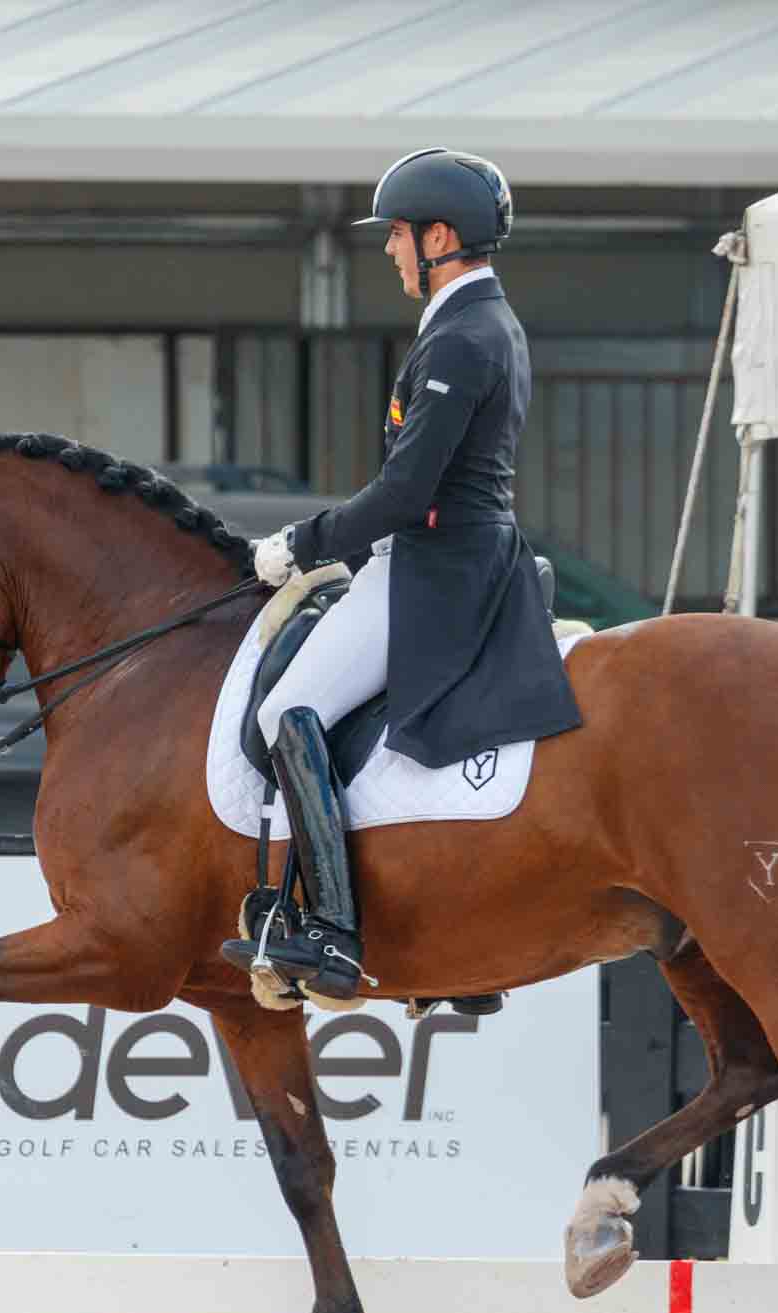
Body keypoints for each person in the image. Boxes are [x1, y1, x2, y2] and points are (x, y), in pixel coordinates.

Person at [218, 147, 582, 1004]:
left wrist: (301, 544)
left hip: (436, 568)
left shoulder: (464, 334)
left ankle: (334, 935)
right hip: (448, 552)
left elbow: (409, 489)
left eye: (398, 236)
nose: (388, 252)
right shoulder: (477, 323)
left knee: (284, 711)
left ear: (441, 237)